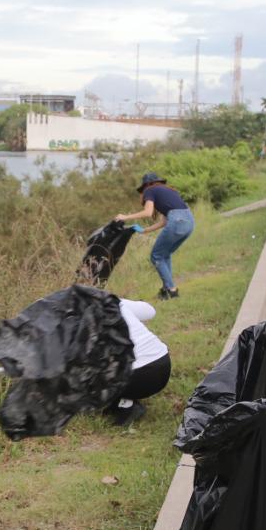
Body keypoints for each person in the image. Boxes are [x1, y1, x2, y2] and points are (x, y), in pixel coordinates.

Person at [116, 171, 195, 299]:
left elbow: (148, 212)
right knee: (164, 254)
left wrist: (126, 217)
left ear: (146, 185)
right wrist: (145, 230)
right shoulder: (169, 191)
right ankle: (166, 289)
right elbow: (164, 221)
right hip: (189, 223)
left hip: (177, 221)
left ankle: (172, 290)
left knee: (156, 256)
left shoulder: (150, 190)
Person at [108, 298, 171, 427]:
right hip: (163, 364)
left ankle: (127, 406)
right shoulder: (112, 300)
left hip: (137, 376)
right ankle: (122, 400)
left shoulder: (71, 322)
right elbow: (150, 311)